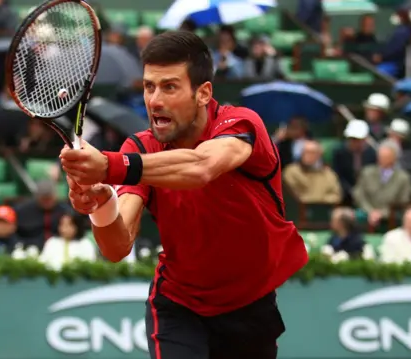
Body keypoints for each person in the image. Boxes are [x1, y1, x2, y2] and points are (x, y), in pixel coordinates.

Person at [59, 31, 308, 359]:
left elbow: (201, 167)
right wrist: (101, 203)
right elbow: (117, 247)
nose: (155, 100)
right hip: (178, 306)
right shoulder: (141, 147)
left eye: (170, 87)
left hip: (251, 306)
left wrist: (107, 166)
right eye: (149, 86)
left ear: (203, 93)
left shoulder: (241, 124)